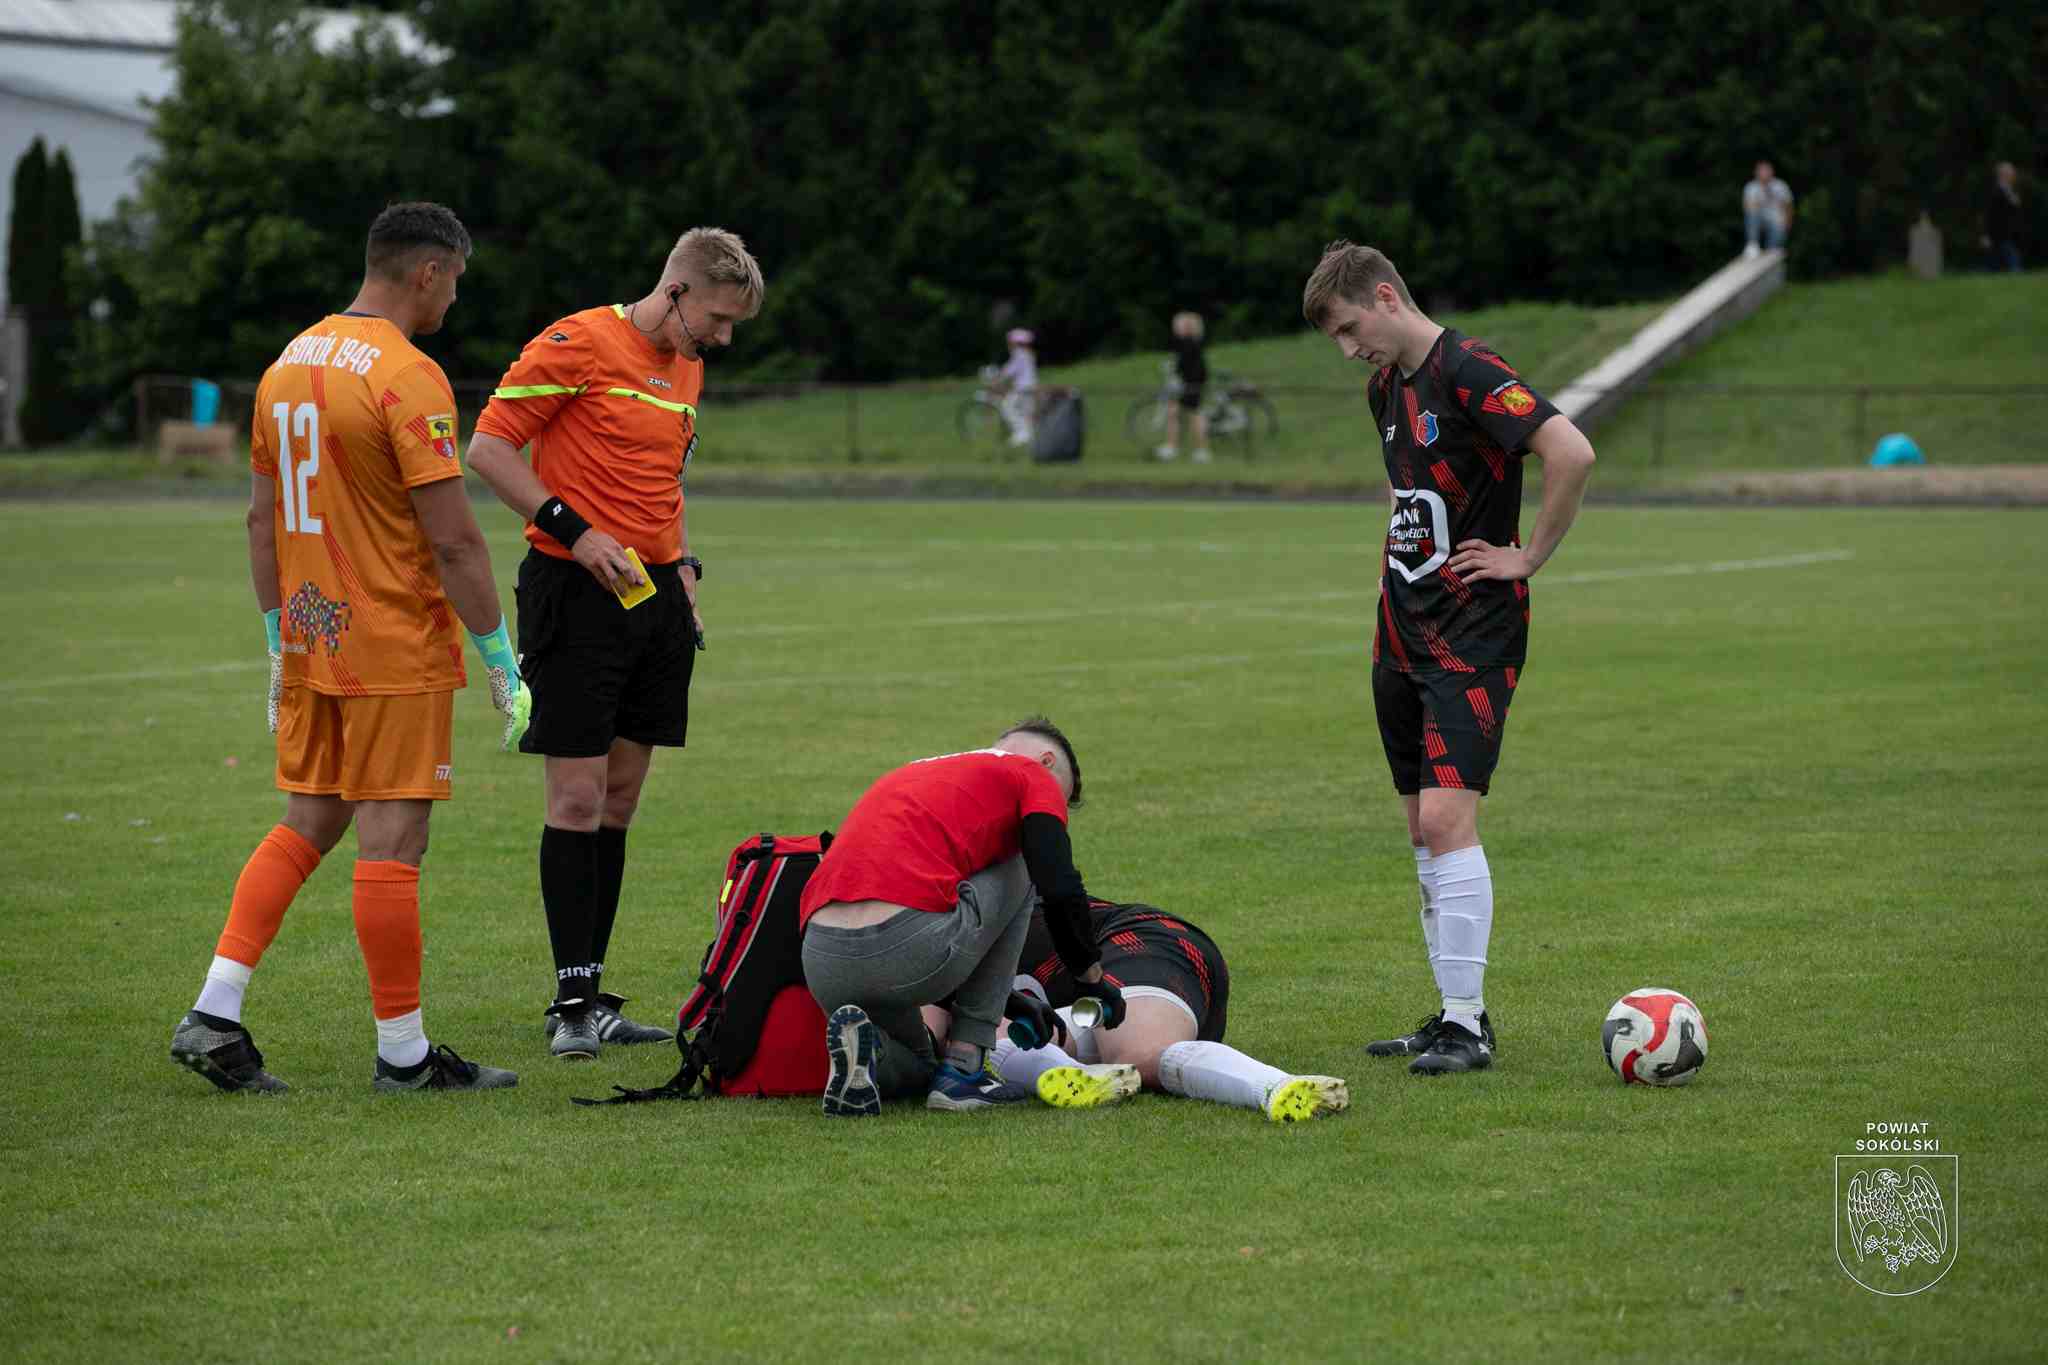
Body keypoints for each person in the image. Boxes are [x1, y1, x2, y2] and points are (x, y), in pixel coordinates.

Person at [168, 202, 526, 1095]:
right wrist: (499, 656)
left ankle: (215, 1009)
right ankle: (404, 1056)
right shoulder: (408, 374)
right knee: (393, 839)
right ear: (427, 272)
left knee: (311, 818)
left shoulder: (287, 362)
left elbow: (260, 520)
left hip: (310, 636)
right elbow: (455, 541)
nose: (454, 298)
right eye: (455, 280)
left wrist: (275, 637)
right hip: (392, 643)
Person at [466, 227, 765, 1061]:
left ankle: (593, 996)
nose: (722, 338)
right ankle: (570, 1003)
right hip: (573, 590)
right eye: (717, 318)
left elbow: (664, 481)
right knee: (575, 798)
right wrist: (578, 530)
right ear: (676, 291)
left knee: (621, 799)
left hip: (656, 598)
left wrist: (684, 566)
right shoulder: (577, 342)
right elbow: (488, 448)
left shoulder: (688, 367)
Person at [1302, 241, 1596, 1076]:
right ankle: (1451, 1013)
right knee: (1419, 830)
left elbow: (1571, 451)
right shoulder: (1384, 389)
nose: (1348, 349)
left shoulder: (1469, 369)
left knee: (1444, 821)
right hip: (1399, 630)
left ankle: (1468, 1024)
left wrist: (1527, 556)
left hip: (1473, 632)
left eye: (1350, 328)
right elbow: (1409, 490)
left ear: (1386, 298)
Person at [799, 719, 1122, 1115]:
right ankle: (965, 1069)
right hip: (905, 946)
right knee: (1026, 863)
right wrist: (1092, 980)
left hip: (823, 962)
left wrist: (1006, 1001)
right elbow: (1058, 887)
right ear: (1047, 761)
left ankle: (871, 1051)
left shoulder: (918, 771)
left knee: (920, 1063)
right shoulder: (1031, 774)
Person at [928, 897, 1349, 1122]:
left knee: (1138, 1054)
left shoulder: (926, 926)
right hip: (1074, 1005)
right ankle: (1077, 1076)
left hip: (1141, 940)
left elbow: (921, 1036)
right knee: (983, 1037)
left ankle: (1277, 1087)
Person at [1153, 311, 1211, 463]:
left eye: (1178, 325)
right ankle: (1175, 447)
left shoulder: (1188, 342)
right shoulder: (1189, 342)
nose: (1175, 328)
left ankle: (1198, 450)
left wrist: (1176, 371)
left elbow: (1185, 364)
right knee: (1176, 412)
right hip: (1191, 383)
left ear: (1187, 327)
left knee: (1192, 415)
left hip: (1192, 384)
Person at [1742, 160, 1794, 257]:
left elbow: (1788, 206)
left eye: (1766, 170)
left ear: (1772, 172)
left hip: (1776, 219)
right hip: (1759, 218)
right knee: (1752, 214)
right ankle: (1753, 245)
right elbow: (1747, 207)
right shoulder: (1751, 187)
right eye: (1761, 171)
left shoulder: (1780, 186)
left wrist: (1788, 223)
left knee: (1780, 224)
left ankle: (1772, 250)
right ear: (1756, 173)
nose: (1764, 174)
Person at [998, 327, 1039, 448]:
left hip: (1022, 388)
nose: (1009, 345)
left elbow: (1010, 370)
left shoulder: (1019, 354)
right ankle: (1029, 438)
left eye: (1010, 342)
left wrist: (998, 378)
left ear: (1015, 343)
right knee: (1027, 413)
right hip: (1031, 387)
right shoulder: (1028, 354)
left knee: (1007, 407)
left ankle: (1021, 434)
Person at [1983, 161, 2024, 272]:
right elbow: (1989, 214)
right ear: (2002, 174)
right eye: (2010, 172)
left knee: (1996, 263)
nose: (2013, 175)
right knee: (2011, 259)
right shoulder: (1994, 191)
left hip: (2012, 233)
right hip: (1999, 233)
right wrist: (1986, 234)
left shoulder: (2011, 190)